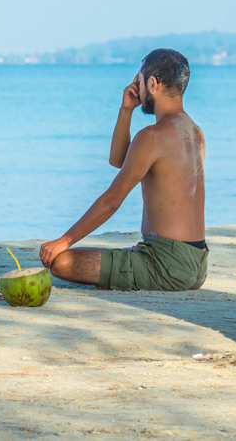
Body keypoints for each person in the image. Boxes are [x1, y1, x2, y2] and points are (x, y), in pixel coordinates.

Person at [39, 49, 207, 291]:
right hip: (197, 263)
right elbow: (119, 160)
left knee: (62, 262)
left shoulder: (152, 136)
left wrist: (64, 241)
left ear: (152, 83)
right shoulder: (196, 133)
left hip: (165, 263)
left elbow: (111, 201)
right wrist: (126, 110)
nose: (135, 87)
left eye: (139, 80)